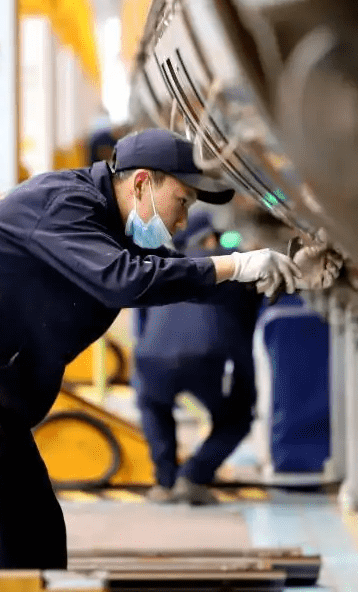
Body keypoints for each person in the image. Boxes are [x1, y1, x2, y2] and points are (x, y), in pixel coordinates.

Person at [0, 128, 327, 570]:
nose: (181, 222)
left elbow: (168, 274)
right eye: (183, 202)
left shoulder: (106, 225)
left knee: (38, 534)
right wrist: (233, 263)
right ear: (142, 183)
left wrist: (260, 273)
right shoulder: (65, 204)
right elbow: (126, 279)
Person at [132, 212, 264, 505]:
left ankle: (165, 483)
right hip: (212, 357)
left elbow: (140, 318)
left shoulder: (160, 264)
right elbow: (258, 302)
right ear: (207, 238)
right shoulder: (231, 262)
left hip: (152, 355)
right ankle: (193, 476)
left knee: (153, 405)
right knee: (238, 416)